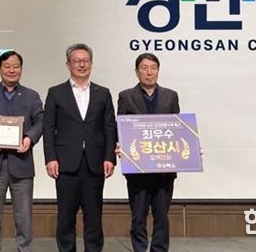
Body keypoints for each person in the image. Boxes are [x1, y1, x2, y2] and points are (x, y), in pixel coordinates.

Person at [43, 43, 117, 252]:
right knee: (66, 217)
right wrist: (50, 158)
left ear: (91, 64)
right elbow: (48, 128)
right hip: (65, 164)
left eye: (85, 61)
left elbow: (110, 127)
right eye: (77, 61)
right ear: (68, 64)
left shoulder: (103, 93)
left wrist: (109, 157)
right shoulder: (56, 93)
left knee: (94, 217)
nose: (81, 65)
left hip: (95, 164)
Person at [0, 50, 44, 252]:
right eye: (7, 66)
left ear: (21, 69)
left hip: (22, 163)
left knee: (24, 217)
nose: (12, 70)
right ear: (0, 69)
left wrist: (29, 138)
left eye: (16, 66)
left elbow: (41, 121)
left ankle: (24, 250)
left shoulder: (32, 96)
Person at [117, 53, 180, 252]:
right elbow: (120, 128)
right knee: (138, 216)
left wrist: (188, 148)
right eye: (144, 68)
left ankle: (159, 249)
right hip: (137, 168)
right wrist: (119, 145)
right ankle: (139, 248)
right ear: (137, 71)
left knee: (162, 216)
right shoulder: (126, 96)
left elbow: (178, 129)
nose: (149, 72)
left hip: (164, 169)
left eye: (153, 68)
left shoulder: (171, 96)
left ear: (158, 70)